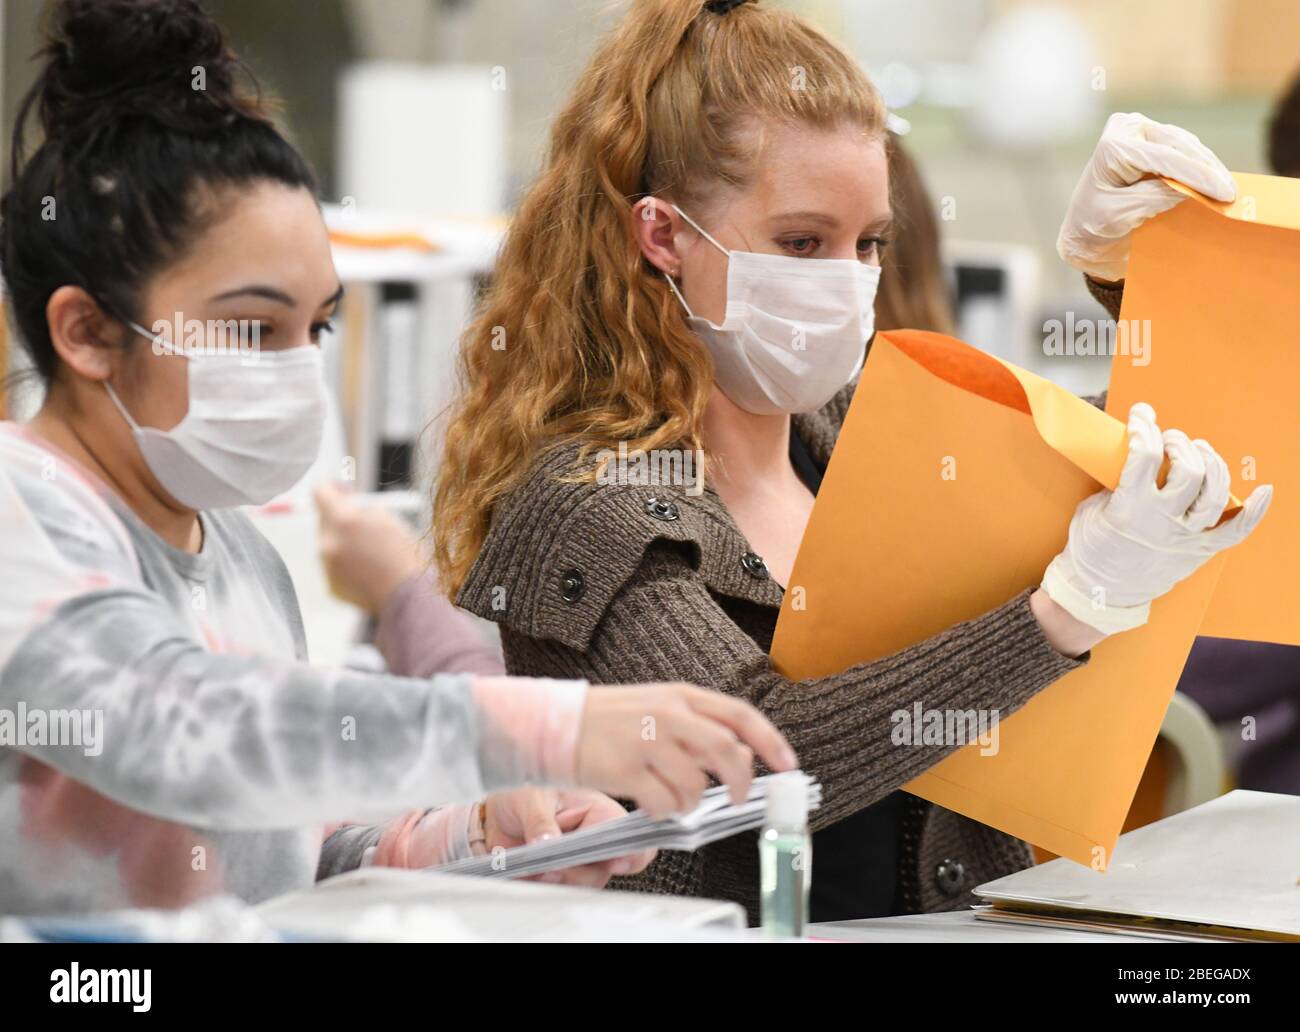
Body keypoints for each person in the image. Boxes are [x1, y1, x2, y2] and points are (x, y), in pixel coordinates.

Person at [432, 0, 1271, 924]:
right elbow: (758, 761)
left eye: (868, 242)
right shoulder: (583, 504)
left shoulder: (856, 424)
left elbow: (1151, 460)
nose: (846, 277)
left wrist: (1130, 277)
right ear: (662, 236)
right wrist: (1063, 614)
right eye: (801, 242)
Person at [0, 0, 795, 916]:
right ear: (89, 332)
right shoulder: (25, 513)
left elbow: (284, 858)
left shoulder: (241, 555)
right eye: (252, 327)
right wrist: (541, 728)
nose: (298, 371)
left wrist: (479, 840)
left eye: (317, 327)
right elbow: (186, 726)